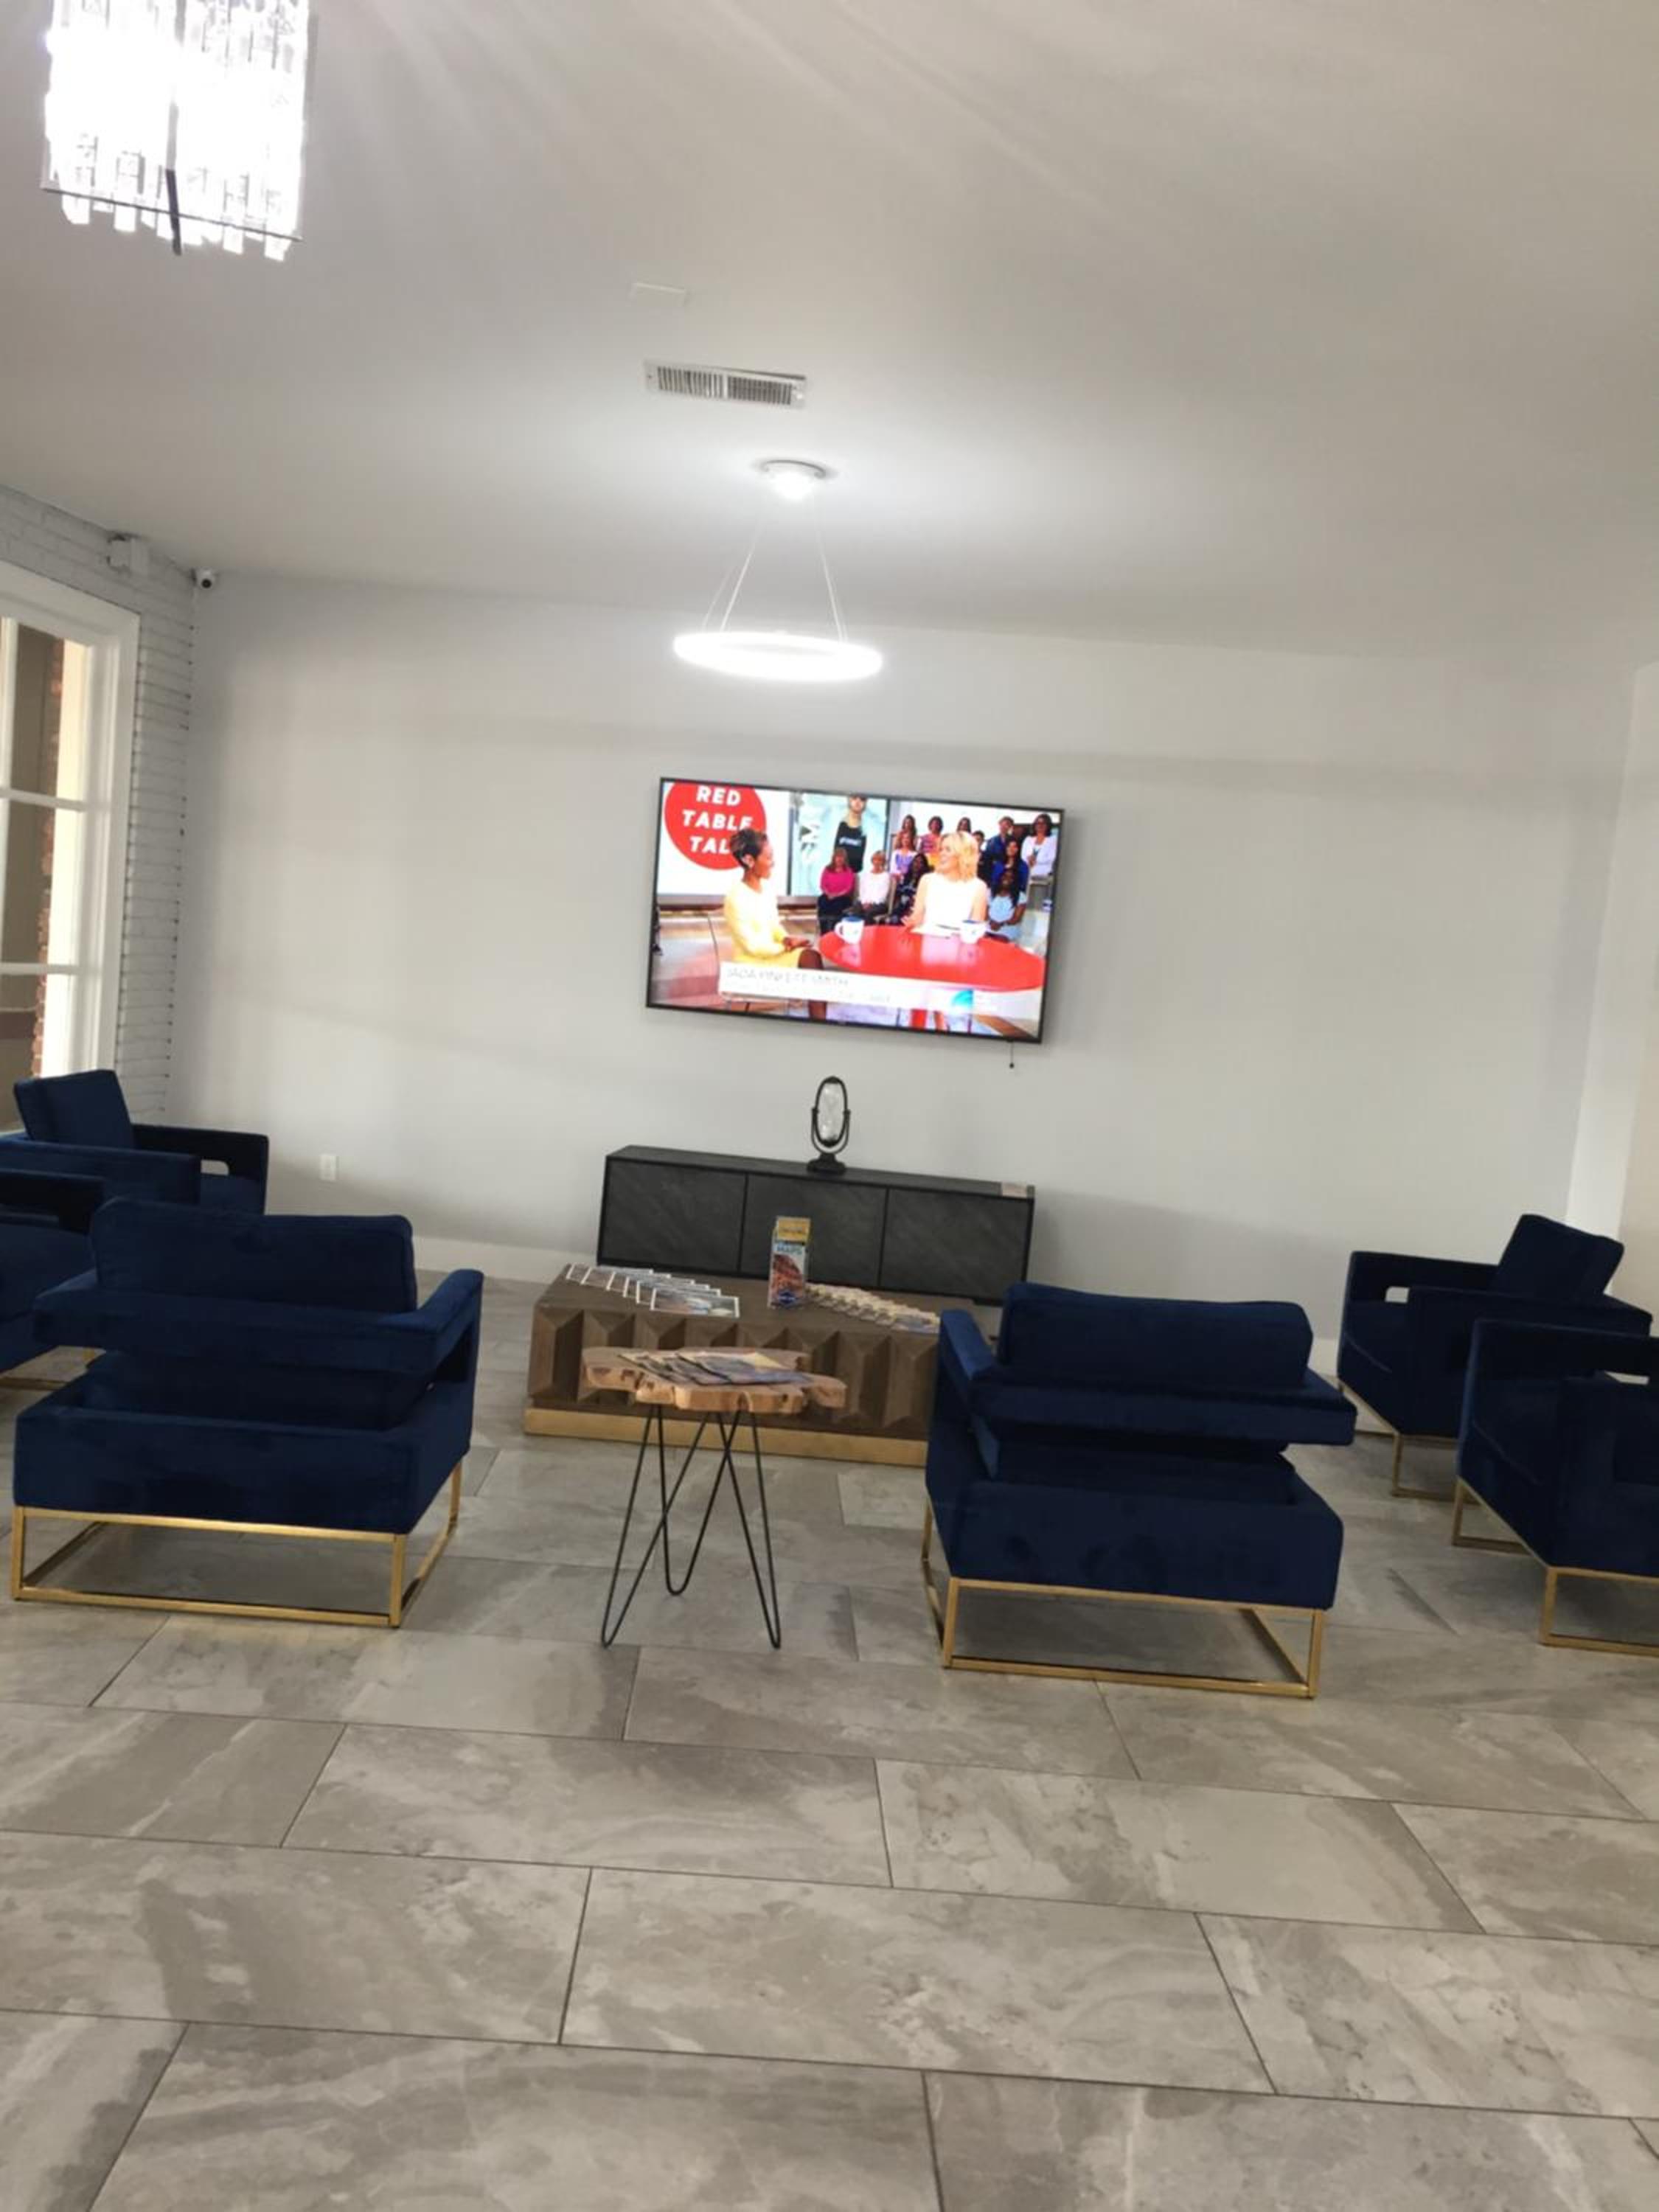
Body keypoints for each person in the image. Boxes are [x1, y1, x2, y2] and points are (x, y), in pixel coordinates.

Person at [723, 826, 827, 1020]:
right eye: (769, 858)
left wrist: (787, 939)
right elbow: (753, 947)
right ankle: (820, 1023)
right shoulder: (735, 897)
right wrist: (787, 946)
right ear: (749, 860)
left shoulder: (768, 889)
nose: (774, 863)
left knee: (812, 957)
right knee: (811, 965)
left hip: (772, 955)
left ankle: (820, 1024)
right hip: (751, 964)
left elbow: (774, 926)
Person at [907, 830, 990, 936]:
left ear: (963, 855)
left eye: (948, 850)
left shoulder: (979, 887)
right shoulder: (927, 880)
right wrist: (912, 922)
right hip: (926, 940)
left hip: (959, 944)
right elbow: (917, 919)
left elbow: (975, 931)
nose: (942, 854)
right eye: (941, 849)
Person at [816, 842, 859, 933]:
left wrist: (837, 895)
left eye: (842, 857)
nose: (839, 859)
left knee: (837, 905)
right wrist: (828, 893)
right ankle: (824, 931)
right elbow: (822, 885)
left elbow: (849, 888)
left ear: (845, 859)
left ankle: (834, 930)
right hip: (828, 895)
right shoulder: (827, 869)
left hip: (842, 897)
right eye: (838, 857)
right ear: (834, 858)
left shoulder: (849, 871)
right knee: (822, 901)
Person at [981, 814, 1028, 890]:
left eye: (1008, 825)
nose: (1005, 827)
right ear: (999, 824)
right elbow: (988, 860)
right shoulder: (992, 841)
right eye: (1003, 824)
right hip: (995, 869)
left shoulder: (1014, 840)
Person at [987, 856, 1026, 936]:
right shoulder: (991, 892)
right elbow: (985, 913)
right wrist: (991, 922)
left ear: (1015, 881)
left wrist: (1000, 924)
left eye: (1011, 878)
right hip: (989, 927)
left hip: (1007, 931)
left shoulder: (1021, 897)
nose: (1006, 879)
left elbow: (1016, 919)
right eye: (1005, 876)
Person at [831, 794, 869, 872]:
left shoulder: (872, 826)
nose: (858, 801)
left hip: (856, 874)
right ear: (849, 799)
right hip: (835, 873)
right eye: (854, 797)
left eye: (862, 799)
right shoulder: (834, 819)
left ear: (866, 802)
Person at [1023, 811, 1059, 880]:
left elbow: (1052, 857)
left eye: (1043, 823)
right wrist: (1028, 859)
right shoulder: (1028, 839)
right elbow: (1023, 855)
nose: (1040, 825)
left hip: (1044, 875)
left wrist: (1035, 860)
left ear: (1048, 825)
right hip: (1028, 874)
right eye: (1038, 823)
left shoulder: (1053, 839)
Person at [858, 846, 893, 917]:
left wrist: (871, 903)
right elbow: (862, 891)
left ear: (883, 862)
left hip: (878, 903)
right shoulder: (866, 874)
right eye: (875, 859)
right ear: (872, 861)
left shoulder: (886, 876)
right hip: (864, 901)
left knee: (868, 913)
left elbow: (883, 894)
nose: (877, 862)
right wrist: (864, 902)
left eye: (880, 860)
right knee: (856, 910)